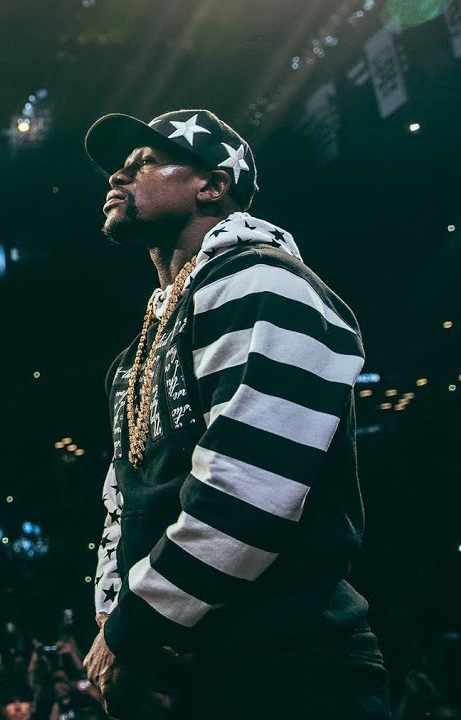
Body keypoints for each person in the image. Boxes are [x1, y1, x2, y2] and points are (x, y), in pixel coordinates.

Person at [78, 108, 390, 720]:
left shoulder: (263, 283)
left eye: (144, 163)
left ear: (212, 185)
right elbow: (122, 501)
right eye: (118, 168)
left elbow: (249, 491)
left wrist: (130, 632)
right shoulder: (137, 352)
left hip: (288, 667)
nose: (117, 177)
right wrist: (119, 624)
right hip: (185, 672)